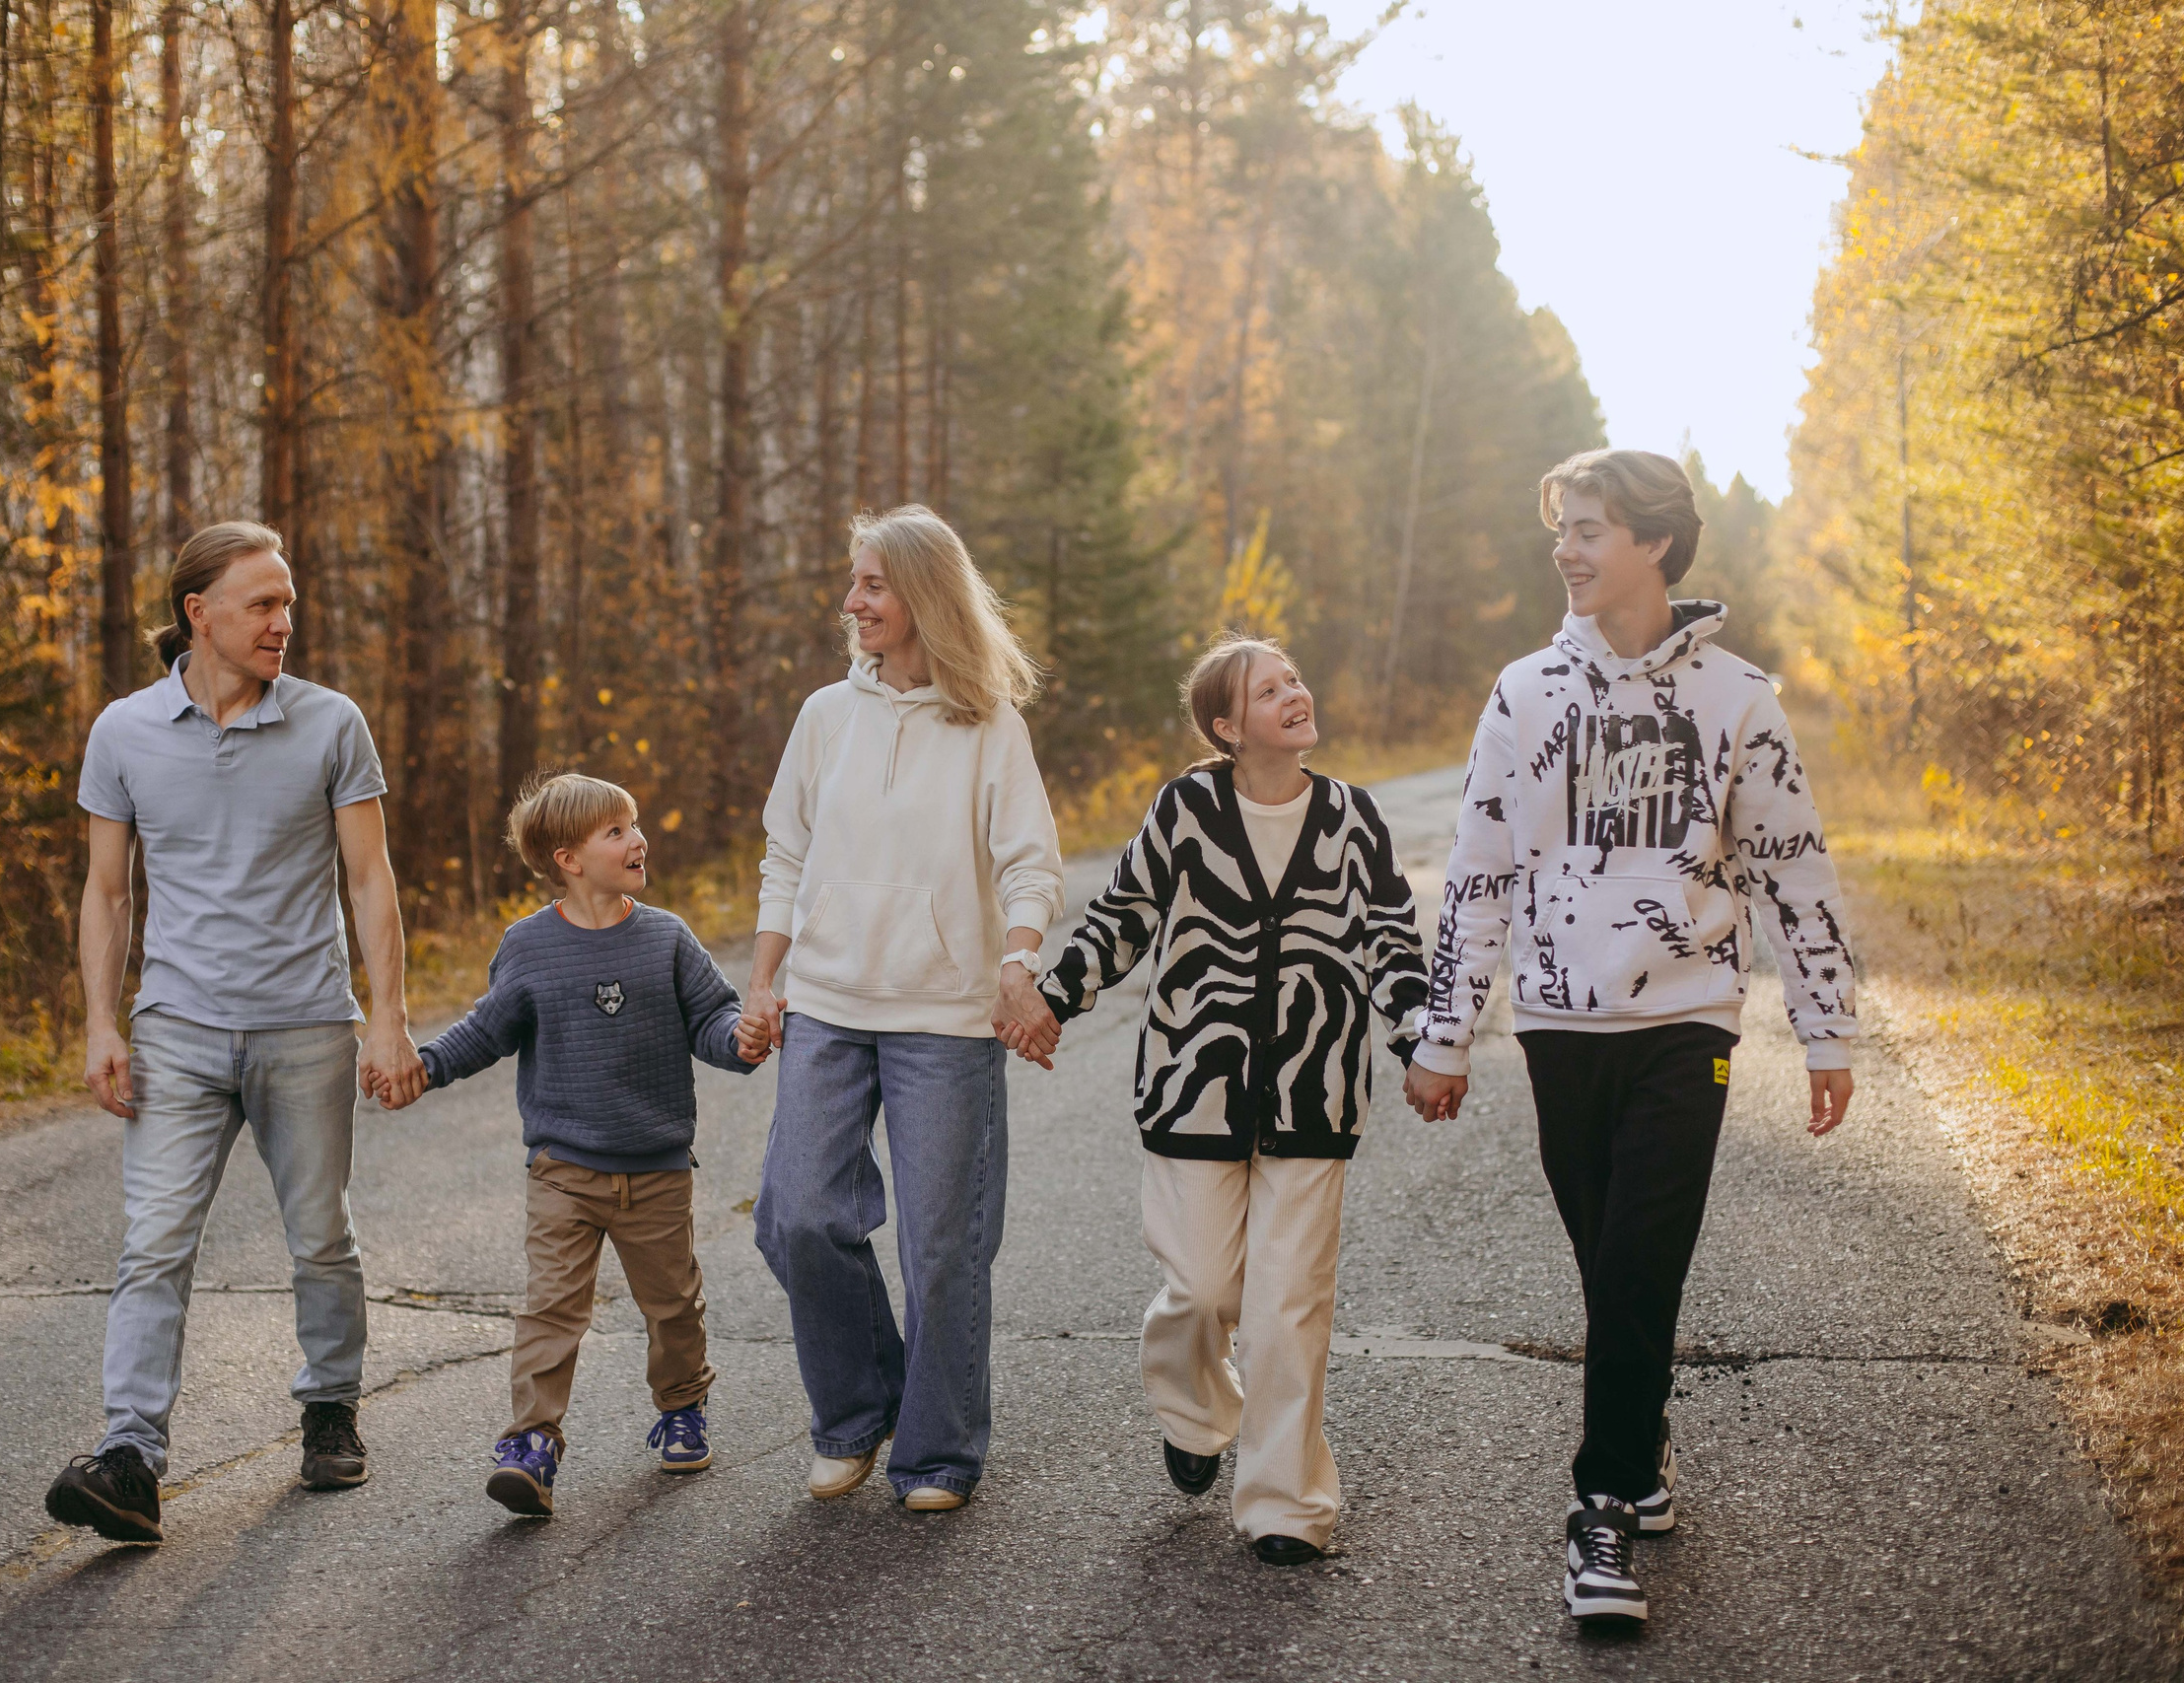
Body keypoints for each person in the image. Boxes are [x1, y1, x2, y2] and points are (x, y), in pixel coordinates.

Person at [1404, 450, 1859, 1625]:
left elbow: (1787, 869)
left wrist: (1825, 1028)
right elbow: (1478, 876)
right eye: (1562, 528)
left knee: (1640, 1256)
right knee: (1609, 1256)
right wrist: (1445, 1032)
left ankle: (1599, 1510)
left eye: (1591, 528)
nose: (1567, 549)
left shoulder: (1736, 698)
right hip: (1560, 1021)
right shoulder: (1524, 693)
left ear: (1655, 543)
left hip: (1685, 1018)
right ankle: (1638, 1428)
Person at [45, 521, 426, 1546]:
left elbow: (368, 879)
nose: (283, 621)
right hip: (175, 1029)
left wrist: (387, 1018)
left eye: (288, 601)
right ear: (196, 614)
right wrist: (97, 1021)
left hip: (306, 1023)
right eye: (261, 603)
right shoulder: (123, 733)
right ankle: (130, 1457)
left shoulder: (330, 723)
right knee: (153, 1243)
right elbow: (108, 893)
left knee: (321, 1239)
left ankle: (330, 1409)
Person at [1034, 636, 1428, 1566]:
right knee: (1204, 1287)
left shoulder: (1352, 816)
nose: (1295, 692)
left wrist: (1422, 1041)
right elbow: (1123, 915)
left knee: (1289, 1307)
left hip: (1314, 1093)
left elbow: (1393, 941)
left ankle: (1286, 1503)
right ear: (1227, 725)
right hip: (1192, 1088)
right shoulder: (1186, 808)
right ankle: (1196, 1408)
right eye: (1270, 688)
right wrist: (1052, 998)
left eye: (1296, 676)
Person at [740, 505, 1065, 1512]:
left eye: (872, 584)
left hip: (948, 1018)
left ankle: (936, 1453)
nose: (852, 601)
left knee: (943, 1246)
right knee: (794, 1217)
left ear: (924, 593)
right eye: (854, 583)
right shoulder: (825, 717)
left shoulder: (987, 725)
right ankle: (858, 1406)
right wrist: (764, 976)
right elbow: (785, 855)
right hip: (828, 1002)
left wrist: (1018, 960)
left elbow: (1030, 865)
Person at [397, 773, 762, 1517]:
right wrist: (427, 1065)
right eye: (617, 831)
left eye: (633, 824)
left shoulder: (666, 936)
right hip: (562, 1166)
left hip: (655, 1166)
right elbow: (486, 1029)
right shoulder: (529, 945)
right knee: (552, 1308)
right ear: (568, 857)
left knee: (673, 1306)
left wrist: (744, 1040)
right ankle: (532, 1442)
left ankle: (683, 1405)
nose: (638, 839)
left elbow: (714, 1022)